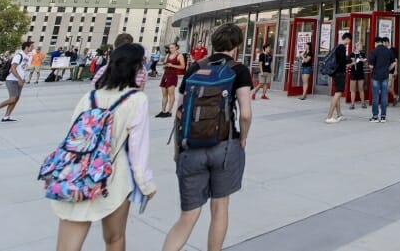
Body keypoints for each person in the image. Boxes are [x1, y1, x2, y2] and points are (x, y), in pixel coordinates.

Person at [50, 43, 156, 251]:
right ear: (137, 67)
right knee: (114, 239)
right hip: (113, 179)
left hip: (78, 176)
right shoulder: (136, 100)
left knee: (67, 246)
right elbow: (138, 150)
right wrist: (146, 185)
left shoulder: (89, 97)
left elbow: (71, 139)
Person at [162, 23, 252, 251]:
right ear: (237, 46)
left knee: (187, 216)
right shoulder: (238, 70)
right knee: (220, 207)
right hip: (224, 146)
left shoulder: (195, 68)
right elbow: (246, 113)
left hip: (191, 148)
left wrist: (177, 151)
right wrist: (243, 138)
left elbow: (179, 112)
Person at [0, 40, 33, 123]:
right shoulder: (19, 55)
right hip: (12, 80)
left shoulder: (28, 57)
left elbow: (22, 69)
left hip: (20, 80)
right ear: (26, 47)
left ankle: (6, 117)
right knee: (12, 99)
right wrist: (19, 78)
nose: (32, 48)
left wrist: (22, 79)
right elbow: (13, 69)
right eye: (31, 46)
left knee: (16, 99)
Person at [325, 33, 351, 124]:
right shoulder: (342, 47)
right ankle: (329, 116)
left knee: (337, 93)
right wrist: (351, 62)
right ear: (347, 39)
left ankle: (339, 115)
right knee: (338, 94)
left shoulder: (337, 46)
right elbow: (342, 61)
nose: (349, 43)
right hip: (340, 73)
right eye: (349, 41)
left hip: (335, 73)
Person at [367, 36, 394, 123]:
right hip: (385, 76)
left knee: (375, 96)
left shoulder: (373, 52)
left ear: (375, 43)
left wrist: (372, 68)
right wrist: (388, 69)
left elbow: (371, 66)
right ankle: (383, 117)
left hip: (375, 76)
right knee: (384, 96)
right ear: (381, 42)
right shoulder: (388, 51)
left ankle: (375, 116)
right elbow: (394, 62)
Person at [156, 43, 186, 118]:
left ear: (176, 48)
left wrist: (172, 65)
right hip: (165, 75)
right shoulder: (168, 55)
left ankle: (169, 112)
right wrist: (165, 65)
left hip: (172, 76)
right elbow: (165, 63)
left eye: (172, 48)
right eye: (170, 48)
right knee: (164, 94)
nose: (170, 49)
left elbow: (183, 67)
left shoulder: (179, 55)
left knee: (171, 94)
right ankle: (163, 111)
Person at [348, 42, 366, 109]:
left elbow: (365, 61)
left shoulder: (362, 54)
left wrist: (362, 60)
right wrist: (353, 63)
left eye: (361, 46)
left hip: (360, 73)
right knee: (352, 89)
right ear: (356, 46)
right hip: (353, 73)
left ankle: (363, 103)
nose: (361, 47)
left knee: (361, 89)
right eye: (360, 46)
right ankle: (352, 104)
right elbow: (347, 65)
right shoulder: (352, 54)